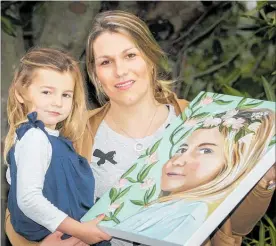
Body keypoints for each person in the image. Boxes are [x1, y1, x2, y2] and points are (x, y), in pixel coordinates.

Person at [5, 10, 276, 246]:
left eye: (130, 55)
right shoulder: (74, 132)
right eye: (106, 62)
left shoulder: (201, 122)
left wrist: (264, 180)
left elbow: (235, 226)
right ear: (94, 73)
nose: (120, 70)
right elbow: (20, 203)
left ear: (149, 58)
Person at [114, 108, 275, 245]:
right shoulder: (160, 207)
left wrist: (263, 180)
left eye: (205, 150)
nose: (179, 160)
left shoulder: (191, 214)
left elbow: (239, 225)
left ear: (232, 164)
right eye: (182, 149)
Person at [4, 47, 111, 245]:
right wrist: (79, 230)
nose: (57, 102)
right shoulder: (35, 137)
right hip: (65, 235)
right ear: (20, 93)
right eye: (47, 92)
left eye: (66, 95)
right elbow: (28, 200)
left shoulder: (51, 139)